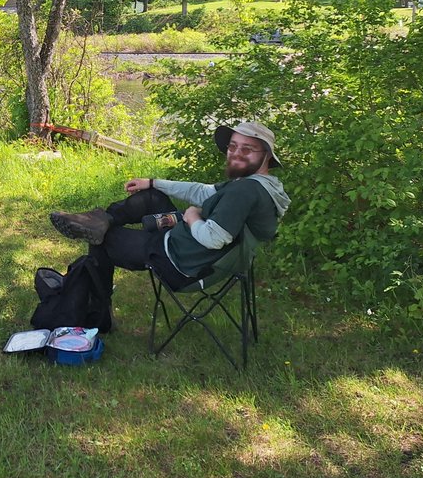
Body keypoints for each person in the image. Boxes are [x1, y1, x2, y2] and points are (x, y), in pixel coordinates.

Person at [48, 121, 290, 329]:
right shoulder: (262, 186)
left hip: (180, 262)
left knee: (103, 240)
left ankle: (99, 315)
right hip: (200, 254)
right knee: (150, 197)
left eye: (248, 149)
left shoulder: (244, 191)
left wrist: (193, 216)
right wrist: (153, 182)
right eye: (233, 146)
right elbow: (202, 192)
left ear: (267, 155)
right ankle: (99, 220)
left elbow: (214, 238)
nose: (236, 153)